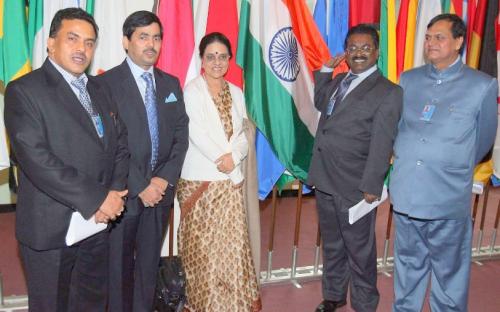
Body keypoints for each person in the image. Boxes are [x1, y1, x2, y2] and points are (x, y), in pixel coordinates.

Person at [3, 8, 129, 311]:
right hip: (51, 229)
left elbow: (121, 144)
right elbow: (36, 159)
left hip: (98, 225)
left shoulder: (100, 89)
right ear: (50, 43)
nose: (81, 49)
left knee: (92, 303)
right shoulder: (24, 90)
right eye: (72, 39)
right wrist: (98, 198)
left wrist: (112, 196)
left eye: (89, 42)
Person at [390, 14, 498, 312]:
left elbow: (483, 141)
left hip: (447, 194)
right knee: (408, 266)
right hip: (407, 191)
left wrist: (447, 163)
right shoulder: (409, 79)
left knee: (449, 271)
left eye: (439, 37)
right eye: (428, 37)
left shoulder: (482, 85)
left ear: (459, 42)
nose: (431, 43)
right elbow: (400, 127)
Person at [307, 24, 403, 312]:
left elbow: (382, 142)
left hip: (356, 186)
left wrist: (372, 185)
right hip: (325, 178)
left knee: (359, 252)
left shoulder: (389, 92)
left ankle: (364, 304)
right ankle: (334, 295)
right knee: (333, 245)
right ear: (345, 52)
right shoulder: (338, 82)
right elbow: (321, 101)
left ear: (377, 51)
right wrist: (325, 69)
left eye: (365, 48)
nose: (358, 53)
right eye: (352, 48)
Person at [98, 11, 189, 312]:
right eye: (143, 37)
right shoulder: (105, 84)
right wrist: (141, 185)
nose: (151, 44)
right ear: (126, 41)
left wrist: (161, 180)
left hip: (160, 195)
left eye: (156, 37)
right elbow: (109, 144)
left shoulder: (170, 84)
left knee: (149, 267)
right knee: (118, 268)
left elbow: (180, 135)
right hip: (124, 194)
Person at [177, 32, 261, 312]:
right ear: (202, 59)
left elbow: (243, 132)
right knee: (203, 254)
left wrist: (234, 156)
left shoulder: (236, 92)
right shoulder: (192, 90)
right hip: (200, 181)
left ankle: (233, 306)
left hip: (230, 181)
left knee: (231, 251)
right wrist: (220, 158)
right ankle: (204, 305)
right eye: (210, 56)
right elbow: (195, 131)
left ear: (229, 60)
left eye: (222, 56)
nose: (216, 62)